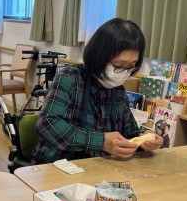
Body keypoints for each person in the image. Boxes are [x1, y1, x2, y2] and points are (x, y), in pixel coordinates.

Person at [32, 18, 163, 164]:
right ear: (99, 56)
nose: (124, 72)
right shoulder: (70, 78)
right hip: (60, 165)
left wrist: (144, 139)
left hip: (99, 166)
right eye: (120, 64)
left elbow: (129, 131)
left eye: (131, 66)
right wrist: (101, 141)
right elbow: (47, 124)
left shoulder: (118, 90)